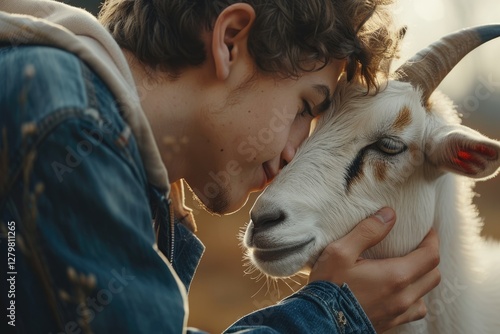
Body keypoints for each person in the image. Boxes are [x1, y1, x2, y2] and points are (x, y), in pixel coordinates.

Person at [0, 0, 441, 333]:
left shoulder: (93, 135)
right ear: (230, 41)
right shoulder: (68, 124)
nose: (294, 152)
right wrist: (332, 314)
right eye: (305, 106)